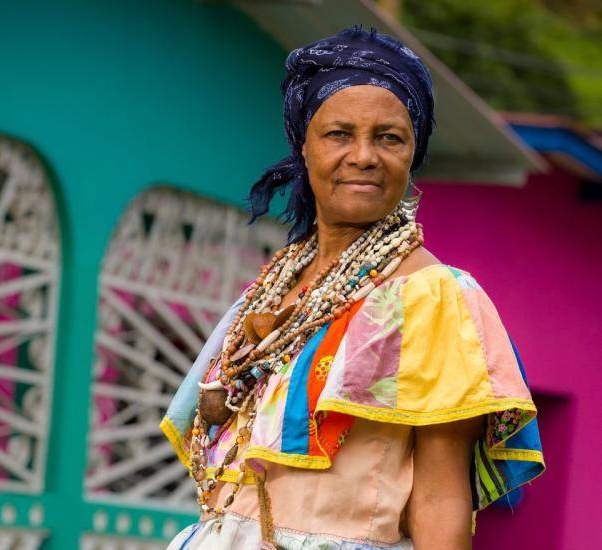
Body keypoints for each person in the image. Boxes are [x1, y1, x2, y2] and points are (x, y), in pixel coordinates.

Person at [160, 26, 544, 550]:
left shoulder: (434, 299)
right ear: (304, 147)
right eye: (339, 134)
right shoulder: (268, 293)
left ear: (413, 153)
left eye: (389, 137)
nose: (364, 156)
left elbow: (439, 497)